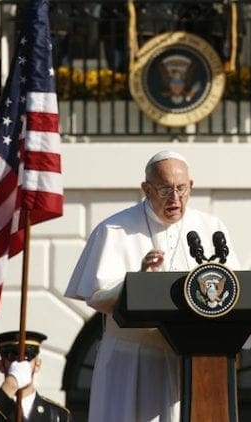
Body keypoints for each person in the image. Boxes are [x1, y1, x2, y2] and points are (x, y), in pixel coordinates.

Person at [65, 150, 240, 421]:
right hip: (132, 359)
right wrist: (139, 282)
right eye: (164, 189)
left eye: (181, 189)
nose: (175, 198)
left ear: (191, 186)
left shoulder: (211, 227)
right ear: (146, 189)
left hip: (193, 360)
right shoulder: (114, 229)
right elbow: (97, 296)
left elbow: (234, 288)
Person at [0, 331, 70, 422]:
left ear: (37, 365)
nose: (20, 364)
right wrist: (11, 384)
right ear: (0, 365)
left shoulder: (57, 415)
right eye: (12, 357)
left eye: (27, 357)